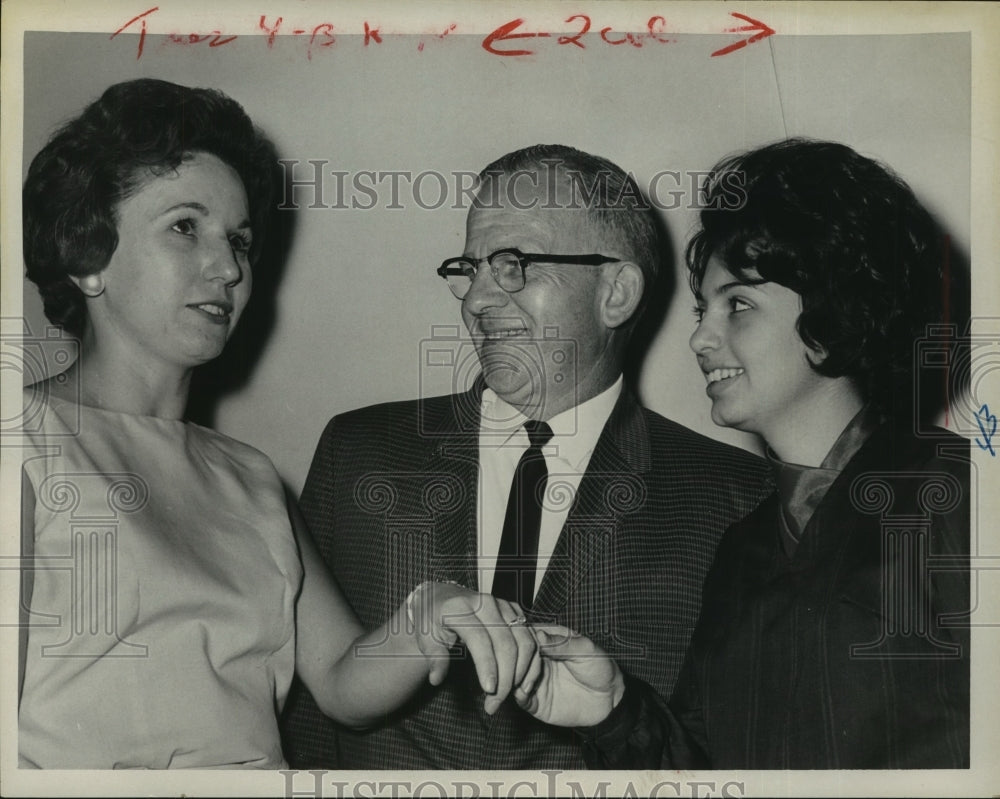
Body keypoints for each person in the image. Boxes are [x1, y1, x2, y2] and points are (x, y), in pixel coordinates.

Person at [17, 78, 539, 770]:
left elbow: (345, 685)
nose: (229, 266)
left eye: (240, 239)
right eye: (184, 226)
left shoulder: (250, 475)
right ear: (87, 257)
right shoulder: (22, 441)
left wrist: (434, 610)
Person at [280, 144, 774, 769]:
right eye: (471, 266)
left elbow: (731, 759)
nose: (477, 299)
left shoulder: (734, 496)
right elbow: (307, 725)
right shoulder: (358, 452)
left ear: (616, 292)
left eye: (514, 264)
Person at [519, 138, 971, 769]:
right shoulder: (741, 549)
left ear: (836, 313)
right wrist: (614, 710)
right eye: (704, 308)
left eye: (739, 305)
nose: (700, 338)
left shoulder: (955, 495)